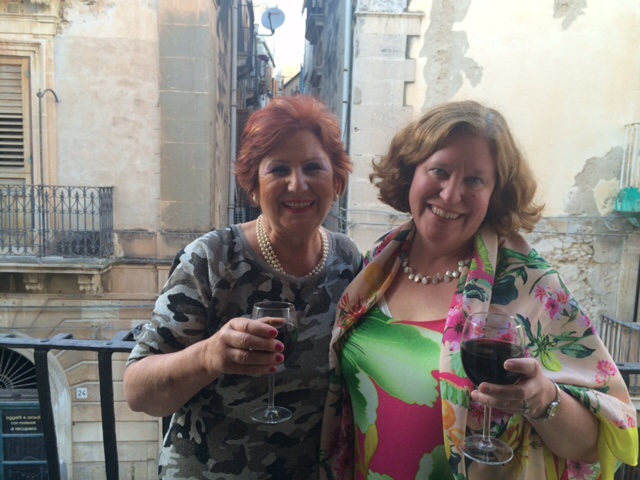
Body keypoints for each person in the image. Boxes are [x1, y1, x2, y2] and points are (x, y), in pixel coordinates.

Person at [319, 100, 638, 479]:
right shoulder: (380, 261)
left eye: (475, 180)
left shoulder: (531, 285)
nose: (451, 194)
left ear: (495, 194)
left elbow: (599, 440)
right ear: (411, 172)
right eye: (439, 170)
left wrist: (543, 400)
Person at [123, 95, 363, 479]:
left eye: (313, 167)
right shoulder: (212, 258)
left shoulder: (348, 261)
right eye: (279, 169)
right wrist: (209, 356)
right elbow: (138, 391)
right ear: (254, 188)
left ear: (336, 182)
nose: (297, 183)